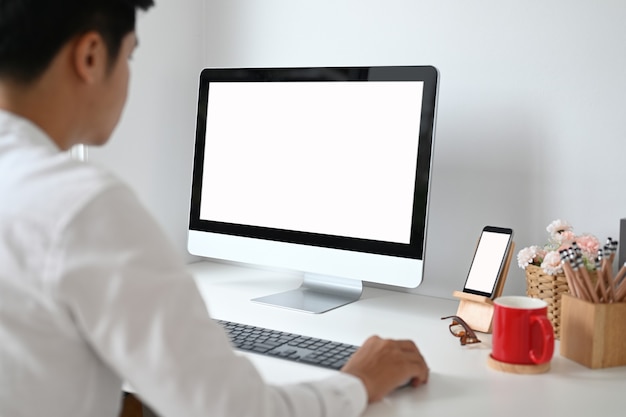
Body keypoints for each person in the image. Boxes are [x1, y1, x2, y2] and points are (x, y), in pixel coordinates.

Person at [0, 1, 430, 416]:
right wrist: (357, 381)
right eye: (129, 56)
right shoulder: (83, 207)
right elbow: (234, 411)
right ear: (91, 56)